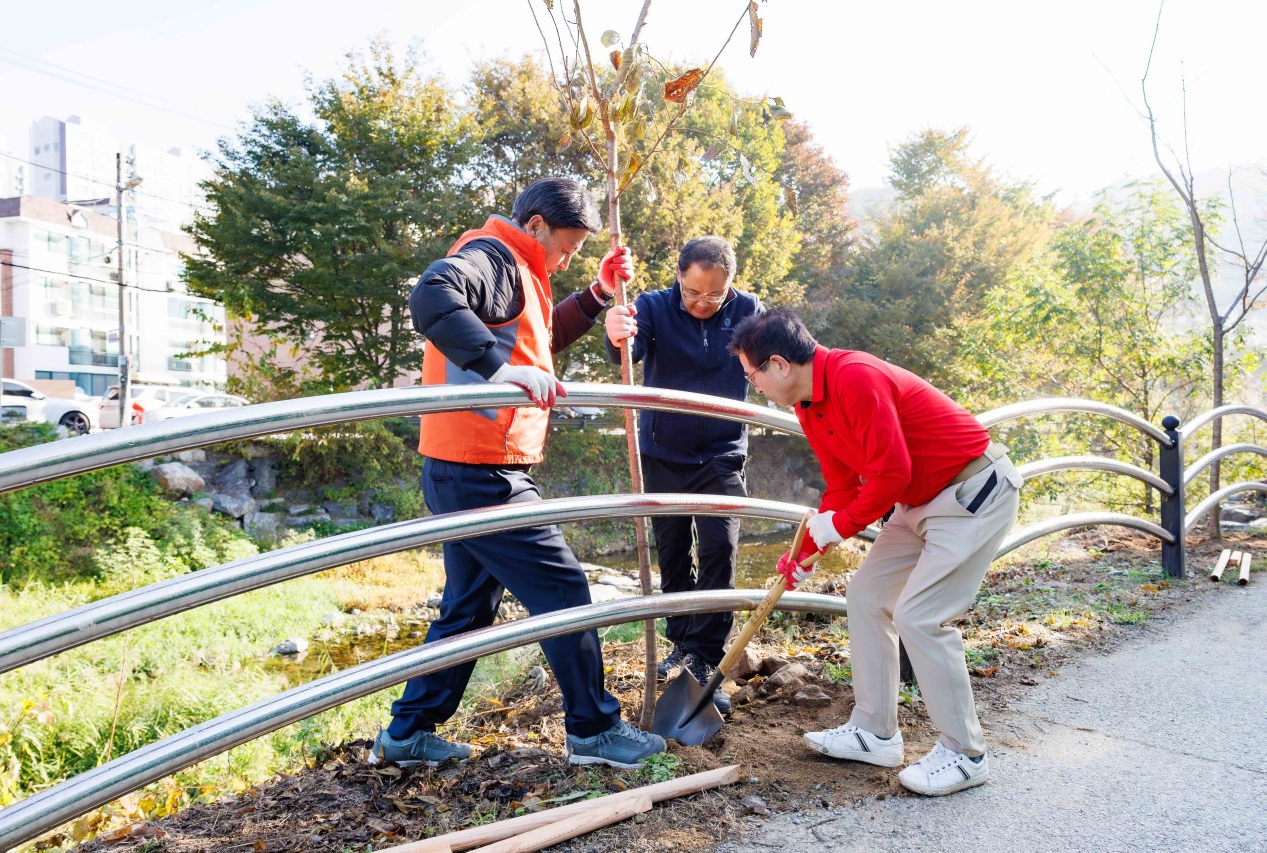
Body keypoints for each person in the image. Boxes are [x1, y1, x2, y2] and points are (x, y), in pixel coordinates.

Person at [370, 177, 666, 770]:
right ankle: (593, 730)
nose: (566, 258)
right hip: (483, 473)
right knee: (564, 590)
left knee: (467, 609)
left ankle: (407, 734)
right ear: (535, 225)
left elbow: (541, 342)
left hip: (469, 466)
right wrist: (496, 368)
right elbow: (431, 298)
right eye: (566, 247)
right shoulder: (491, 255)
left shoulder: (522, 271)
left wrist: (598, 293)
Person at [727, 308, 1023, 796]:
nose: (752, 384)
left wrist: (836, 528)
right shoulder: (808, 404)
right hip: (915, 501)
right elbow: (842, 486)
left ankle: (966, 755)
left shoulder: (854, 377)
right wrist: (804, 551)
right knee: (865, 595)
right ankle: (874, 733)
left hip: (970, 494)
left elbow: (891, 474)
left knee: (920, 616)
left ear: (779, 364)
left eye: (752, 373)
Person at [603, 236, 763, 716]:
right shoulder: (651, 306)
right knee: (673, 552)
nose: (700, 303)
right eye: (692, 292)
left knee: (721, 548)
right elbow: (626, 355)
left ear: (729, 287)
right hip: (663, 452)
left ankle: (706, 660)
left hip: (721, 453)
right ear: (678, 277)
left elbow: (771, 361)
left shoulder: (749, 309)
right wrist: (616, 332)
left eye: (712, 296)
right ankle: (680, 639)